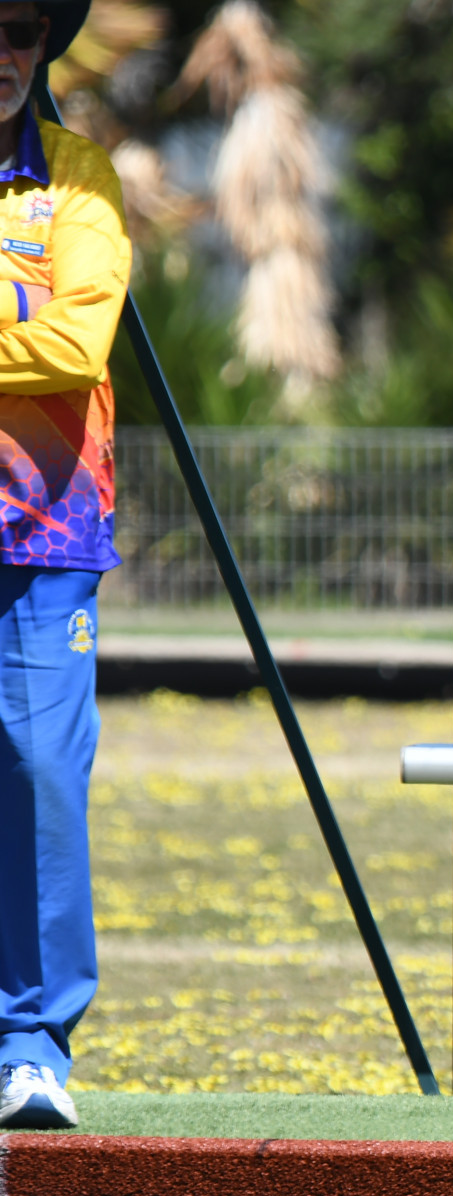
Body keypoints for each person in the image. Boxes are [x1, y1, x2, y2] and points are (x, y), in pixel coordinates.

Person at [0, 0, 131, 1130]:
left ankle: (34, 1044)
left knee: (42, 775)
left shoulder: (78, 177)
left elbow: (78, 344)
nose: (5, 53)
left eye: (20, 29)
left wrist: (38, 333)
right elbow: (34, 335)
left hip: (46, 537)